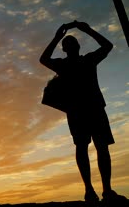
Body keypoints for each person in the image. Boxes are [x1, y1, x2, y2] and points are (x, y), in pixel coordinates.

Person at [40, 21, 127, 205]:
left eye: (70, 43)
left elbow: (108, 46)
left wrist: (63, 35)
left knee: (96, 148)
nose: (69, 46)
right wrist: (84, 30)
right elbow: (44, 59)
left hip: (89, 109)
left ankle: (102, 190)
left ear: (72, 47)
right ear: (67, 49)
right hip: (84, 110)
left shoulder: (81, 61)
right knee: (89, 148)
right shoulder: (80, 61)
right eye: (67, 44)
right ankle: (95, 190)